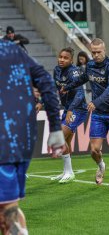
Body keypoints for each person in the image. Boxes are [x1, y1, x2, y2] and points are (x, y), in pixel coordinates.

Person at [0, 39, 65, 235]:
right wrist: (55, 128)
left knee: (6, 217)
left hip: (4, 142)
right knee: (9, 208)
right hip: (20, 140)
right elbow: (45, 81)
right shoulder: (12, 50)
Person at [61, 38, 109, 190]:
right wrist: (67, 86)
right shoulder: (90, 65)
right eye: (93, 52)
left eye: (99, 52)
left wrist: (95, 102)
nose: (96, 55)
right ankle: (101, 165)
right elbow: (83, 79)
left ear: (105, 50)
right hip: (98, 114)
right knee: (94, 150)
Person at [51, 47, 88, 183]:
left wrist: (71, 109)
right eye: (60, 57)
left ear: (71, 60)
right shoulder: (57, 70)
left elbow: (79, 93)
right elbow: (54, 88)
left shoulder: (75, 72)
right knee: (66, 141)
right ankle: (66, 172)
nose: (62, 59)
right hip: (68, 109)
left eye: (65, 58)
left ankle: (70, 172)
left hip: (78, 109)